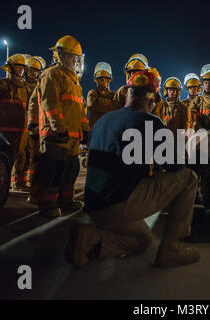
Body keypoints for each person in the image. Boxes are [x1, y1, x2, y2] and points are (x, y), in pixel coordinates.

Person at [67, 70, 200, 268]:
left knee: (143, 241)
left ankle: (89, 237)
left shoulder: (103, 121)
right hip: (119, 205)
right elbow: (175, 167)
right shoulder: (151, 122)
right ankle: (171, 248)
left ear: (128, 93)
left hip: (95, 207)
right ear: (153, 99)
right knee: (189, 178)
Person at [34, 35, 90, 217]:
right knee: (53, 172)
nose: (75, 61)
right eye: (73, 57)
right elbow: (50, 104)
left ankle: (66, 201)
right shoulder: (52, 74)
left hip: (72, 137)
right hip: (57, 135)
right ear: (61, 55)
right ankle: (48, 205)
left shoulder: (75, 81)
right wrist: (59, 128)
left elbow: (79, 110)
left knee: (70, 171)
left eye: (77, 58)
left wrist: (86, 129)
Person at [0, 53, 30, 191]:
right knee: (3, 159)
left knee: (21, 158)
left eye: (22, 68)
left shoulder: (26, 88)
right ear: (9, 68)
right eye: (17, 67)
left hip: (21, 130)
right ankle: (0, 185)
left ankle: (18, 184)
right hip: (3, 130)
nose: (20, 71)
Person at [24, 56, 46, 202]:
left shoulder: (42, 83)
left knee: (38, 159)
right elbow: (33, 106)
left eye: (36, 71)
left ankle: (35, 190)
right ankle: (33, 191)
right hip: (34, 127)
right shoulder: (24, 85)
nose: (34, 73)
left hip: (43, 127)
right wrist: (32, 125)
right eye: (32, 70)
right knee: (34, 158)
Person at [87, 62, 119, 127]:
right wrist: (111, 104)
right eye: (100, 79)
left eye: (105, 78)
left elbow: (118, 107)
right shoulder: (92, 93)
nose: (103, 80)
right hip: (95, 130)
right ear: (96, 80)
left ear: (109, 80)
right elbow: (92, 104)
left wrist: (100, 101)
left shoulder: (114, 94)